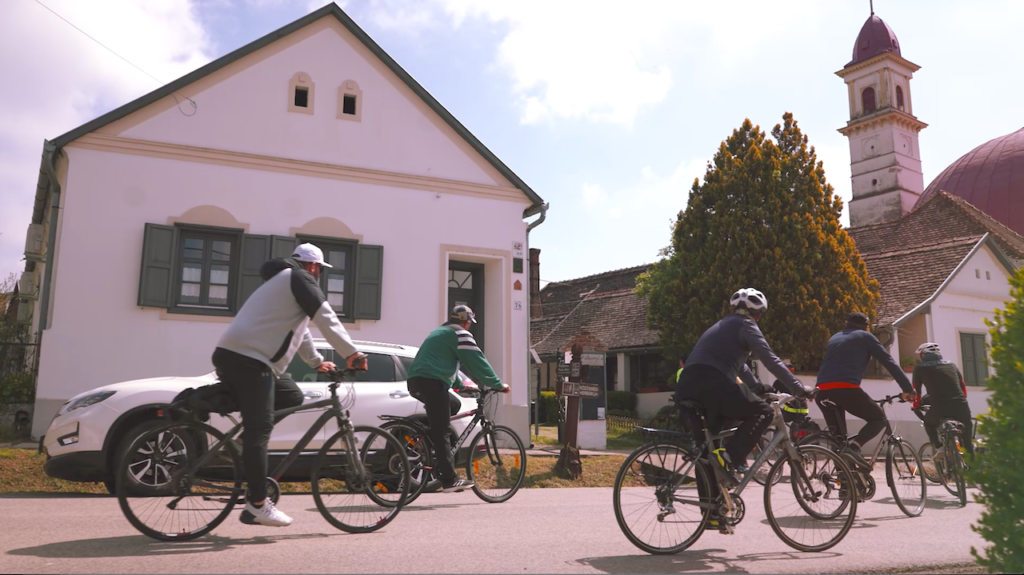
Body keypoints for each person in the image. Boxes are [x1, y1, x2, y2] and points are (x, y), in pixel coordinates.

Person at [213, 243, 367, 527]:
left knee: (291, 396)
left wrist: (316, 362)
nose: (319, 275)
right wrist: (352, 354)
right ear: (313, 266)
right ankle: (258, 504)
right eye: (320, 270)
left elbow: (301, 331)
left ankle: (240, 442)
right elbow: (326, 317)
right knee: (260, 430)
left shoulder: (282, 283)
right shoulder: (299, 277)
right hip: (251, 361)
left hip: (244, 358)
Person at [676, 288, 811, 481]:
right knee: (764, 412)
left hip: (686, 385)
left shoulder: (720, 325)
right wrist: (798, 388)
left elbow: (740, 366)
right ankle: (730, 458)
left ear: (733, 309)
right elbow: (770, 360)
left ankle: (712, 500)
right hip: (713, 381)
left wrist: (757, 388)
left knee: (707, 449)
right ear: (758, 315)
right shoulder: (746, 325)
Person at [407, 305, 510, 492]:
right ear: (466, 321)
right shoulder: (461, 334)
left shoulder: (440, 331)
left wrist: (461, 386)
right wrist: (496, 384)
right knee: (442, 430)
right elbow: (477, 360)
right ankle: (449, 479)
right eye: (469, 322)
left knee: (453, 405)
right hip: (431, 383)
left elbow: (442, 362)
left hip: (418, 381)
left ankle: (431, 445)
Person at [814, 312, 915, 470]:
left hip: (821, 392)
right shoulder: (866, 337)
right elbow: (888, 362)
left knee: (839, 440)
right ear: (866, 327)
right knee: (879, 419)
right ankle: (855, 447)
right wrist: (908, 389)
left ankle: (845, 481)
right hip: (845, 389)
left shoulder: (834, 337)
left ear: (847, 323)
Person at [911, 343, 973, 459]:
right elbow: (962, 386)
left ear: (923, 355)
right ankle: (971, 462)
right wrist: (961, 398)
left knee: (928, 423)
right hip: (960, 405)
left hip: (939, 407)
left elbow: (916, 391)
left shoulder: (919, 368)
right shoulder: (951, 365)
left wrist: (916, 405)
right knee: (967, 439)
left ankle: (939, 447)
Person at [771, 361, 818, 441]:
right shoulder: (797, 381)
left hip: (791, 410)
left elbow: (773, 396)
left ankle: (778, 442)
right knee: (801, 425)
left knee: (778, 421)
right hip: (803, 409)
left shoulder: (778, 381)